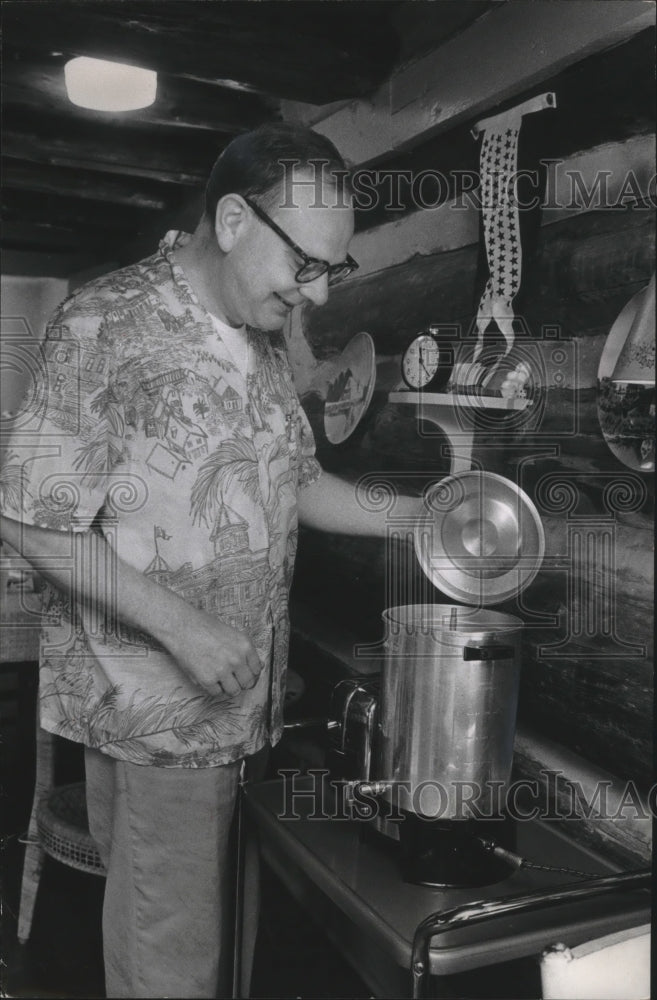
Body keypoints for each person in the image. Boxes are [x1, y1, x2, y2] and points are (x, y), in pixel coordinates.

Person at [0, 123, 418, 998]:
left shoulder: (262, 345)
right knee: (170, 965)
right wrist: (186, 631)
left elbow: (296, 481)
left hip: (242, 709)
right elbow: (33, 522)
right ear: (233, 219)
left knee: (224, 951)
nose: (313, 296)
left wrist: (420, 518)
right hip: (161, 716)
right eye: (305, 265)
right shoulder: (106, 324)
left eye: (329, 273)